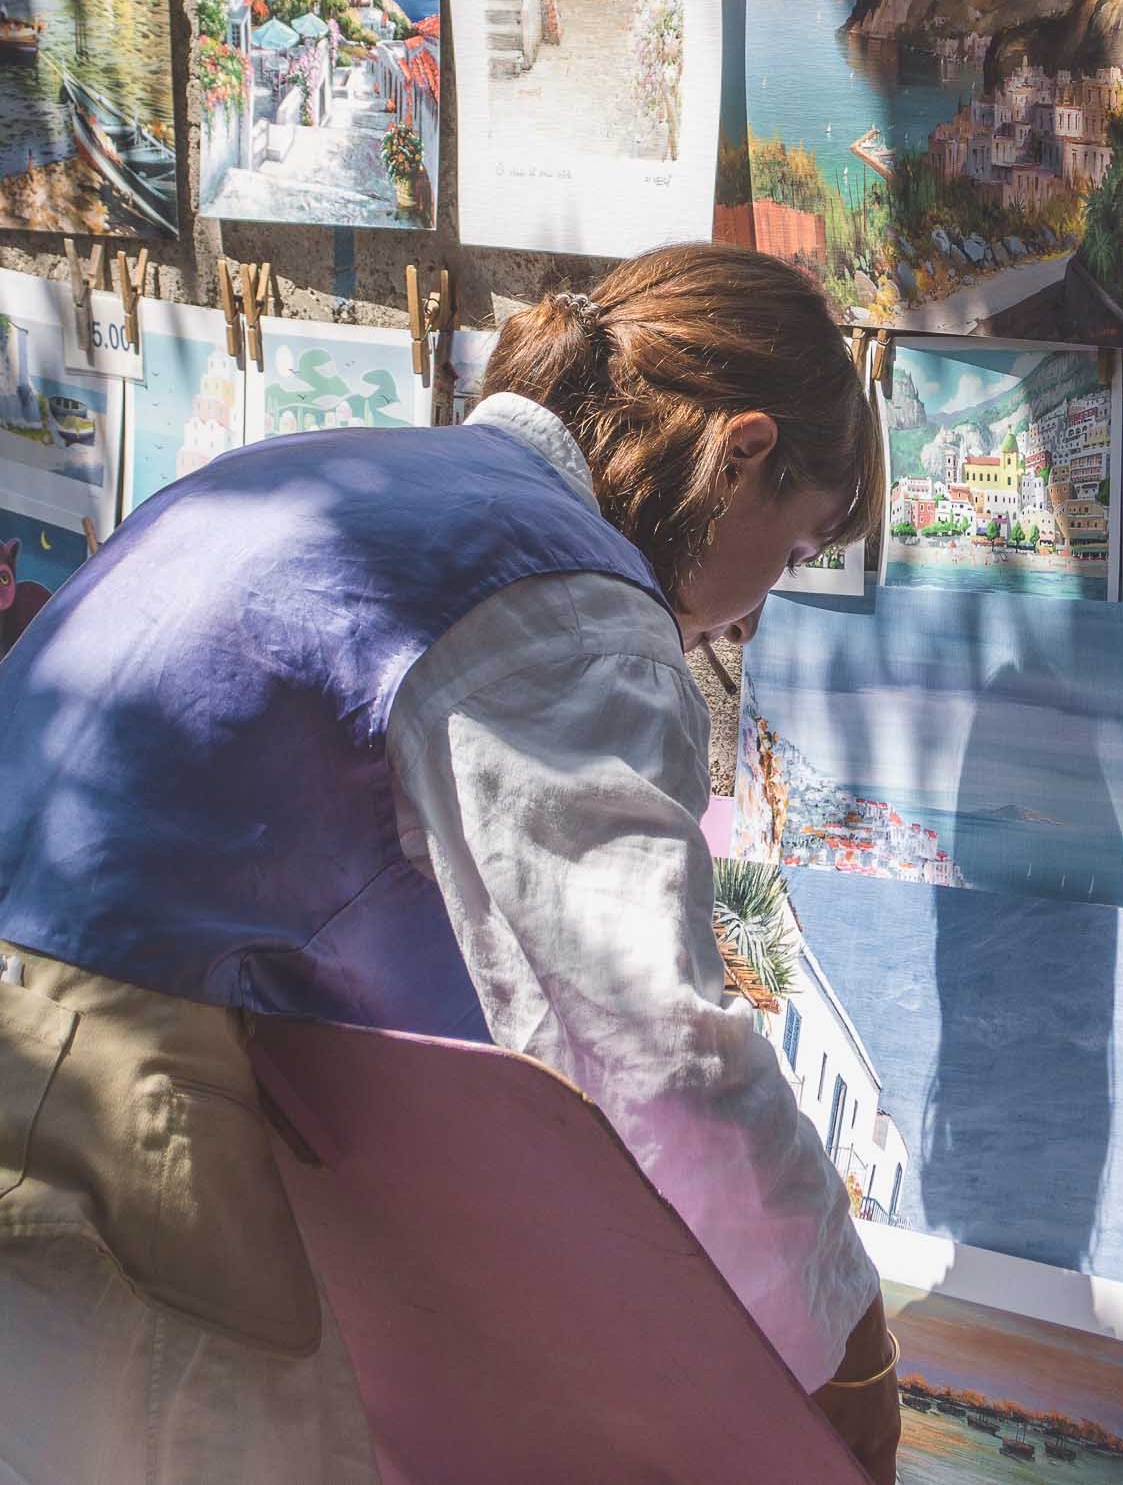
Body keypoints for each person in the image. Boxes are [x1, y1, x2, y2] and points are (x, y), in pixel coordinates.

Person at [0, 244, 900, 1483]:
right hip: (101, 1131)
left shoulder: (317, 471)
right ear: (740, 451)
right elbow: (653, 1049)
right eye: (794, 553)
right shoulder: (576, 608)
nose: (749, 619)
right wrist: (845, 1342)